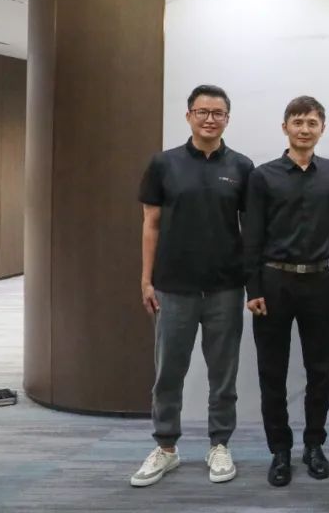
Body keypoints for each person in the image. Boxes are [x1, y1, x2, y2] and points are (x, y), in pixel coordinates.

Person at [131, 84, 254, 487]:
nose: (209, 119)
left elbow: (250, 230)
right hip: (173, 288)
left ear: (227, 119)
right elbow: (150, 224)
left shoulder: (242, 167)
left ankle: (219, 444)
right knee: (168, 373)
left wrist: (252, 283)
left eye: (218, 113)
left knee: (223, 375)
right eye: (202, 112)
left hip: (225, 289)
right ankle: (166, 447)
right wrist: (146, 279)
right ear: (188, 116)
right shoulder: (163, 164)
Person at [242, 96, 329, 487]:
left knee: (320, 370)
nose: (305, 129)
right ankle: (280, 450)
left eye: (312, 123)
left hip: (318, 281)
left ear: (322, 129)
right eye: (298, 122)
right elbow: (251, 235)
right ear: (285, 127)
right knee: (273, 371)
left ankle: (314, 445)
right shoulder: (262, 176)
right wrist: (252, 287)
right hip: (274, 282)